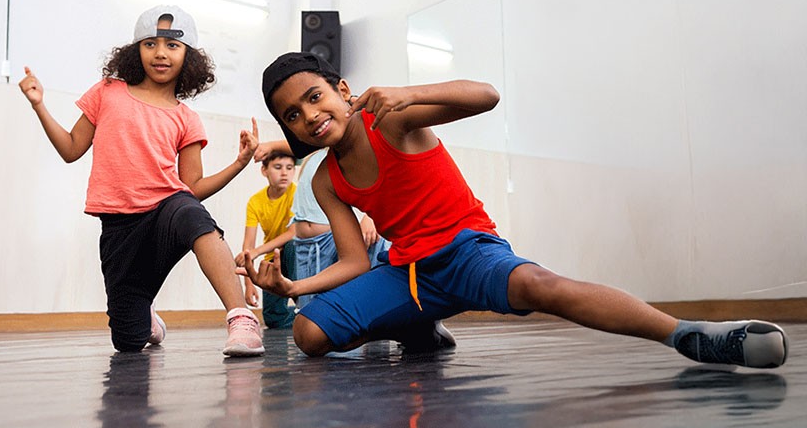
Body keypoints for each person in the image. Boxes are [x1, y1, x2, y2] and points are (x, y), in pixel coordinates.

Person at [240, 51, 788, 369]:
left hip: (468, 252)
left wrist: (410, 92)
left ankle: (687, 334)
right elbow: (356, 261)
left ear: (342, 89)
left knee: (541, 285)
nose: (309, 115)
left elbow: (486, 95)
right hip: (409, 273)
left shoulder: (394, 120)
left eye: (315, 97)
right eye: (293, 115)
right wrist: (292, 287)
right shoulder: (327, 179)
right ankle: (417, 327)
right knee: (309, 334)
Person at [18, 5, 264, 357]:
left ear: (189, 56)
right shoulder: (107, 92)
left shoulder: (186, 118)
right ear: (136, 50)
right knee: (128, 341)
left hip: (167, 212)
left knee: (193, 214)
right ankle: (144, 314)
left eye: (172, 45)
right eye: (150, 44)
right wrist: (39, 105)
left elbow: (192, 188)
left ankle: (241, 318)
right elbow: (71, 149)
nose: (161, 53)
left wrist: (239, 163)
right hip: (119, 227)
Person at [287, 147, 388, 310]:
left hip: (332, 240)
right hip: (305, 246)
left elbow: (382, 181)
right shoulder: (314, 154)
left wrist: (369, 217)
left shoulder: (350, 153)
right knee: (308, 312)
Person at [237, 151, 298, 328]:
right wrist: (249, 284)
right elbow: (248, 246)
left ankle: (305, 304)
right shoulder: (255, 201)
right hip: (273, 258)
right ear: (264, 170)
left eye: (289, 168)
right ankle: (303, 317)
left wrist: (257, 251)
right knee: (273, 319)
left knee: (292, 245)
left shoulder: (296, 193)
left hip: (296, 254)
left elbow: (292, 233)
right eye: (278, 167)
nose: (284, 173)